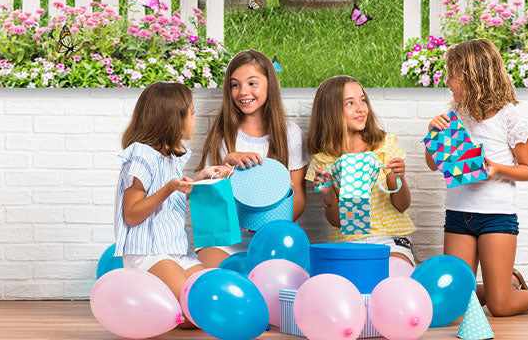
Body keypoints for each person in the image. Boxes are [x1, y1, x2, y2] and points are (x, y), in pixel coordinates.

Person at [426, 38, 528, 316]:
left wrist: (496, 168)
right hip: (458, 215)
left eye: (452, 76)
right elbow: (434, 165)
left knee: (499, 306)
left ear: (472, 78)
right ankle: (509, 284)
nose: (447, 82)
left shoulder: (509, 118)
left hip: (496, 217)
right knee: (455, 299)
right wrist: (433, 132)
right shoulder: (455, 113)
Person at [114, 81, 232, 325]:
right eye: (191, 112)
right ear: (172, 118)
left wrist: (200, 179)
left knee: (213, 300)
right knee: (193, 313)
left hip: (177, 251)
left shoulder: (172, 157)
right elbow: (132, 215)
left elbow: (170, 200)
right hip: (149, 252)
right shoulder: (142, 155)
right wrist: (169, 188)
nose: (195, 118)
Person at [196, 49, 309, 266]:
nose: (242, 92)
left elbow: (298, 198)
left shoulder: (289, 133)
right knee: (213, 276)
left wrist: (266, 227)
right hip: (225, 237)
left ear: (269, 84)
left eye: (252, 83)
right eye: (235, 84)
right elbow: (209, 201)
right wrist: (225, 168)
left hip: (272, 235)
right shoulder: (223, 133)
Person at [306, 75, 416, 266]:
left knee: (393, 277)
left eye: (362, 100)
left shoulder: (384, 145)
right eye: (350, 103)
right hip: (348, 242)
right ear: (331, 112)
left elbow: (402, 205)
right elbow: (337, 222)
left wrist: (398, 177)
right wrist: (327, 196)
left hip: (390, 240)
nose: (360, 108)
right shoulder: (324, 160)